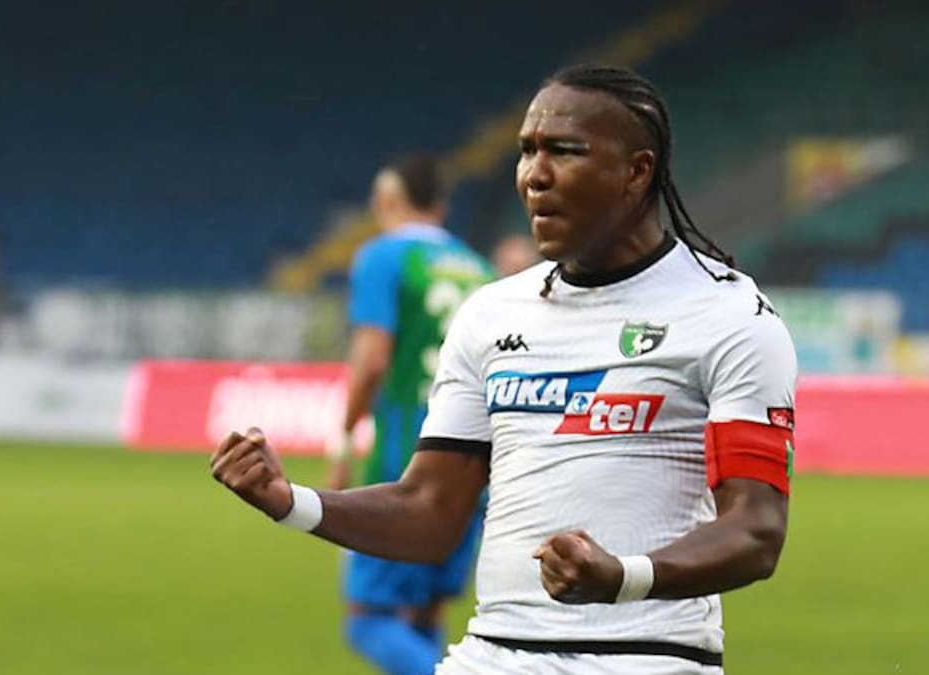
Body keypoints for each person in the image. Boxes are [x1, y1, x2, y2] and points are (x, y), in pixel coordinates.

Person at [212, 64, 797, 674]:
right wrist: (290, 501)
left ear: (637, 171)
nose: (534, 175)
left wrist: (622, 577)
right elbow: (430, 509)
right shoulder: (490, 314)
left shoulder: (728, 315)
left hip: (645, 659)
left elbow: (755, 531)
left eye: (564, 151)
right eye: (526, 151)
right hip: (492, 655)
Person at [322, 153, 493, 674]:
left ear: (388, 200)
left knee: (368, 620)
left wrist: (344, 438)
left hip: (409, 460)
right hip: (474, 465)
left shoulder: (383, 257)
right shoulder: (480, 270)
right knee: (423, 616)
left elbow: (372, 359)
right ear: (441, 204)